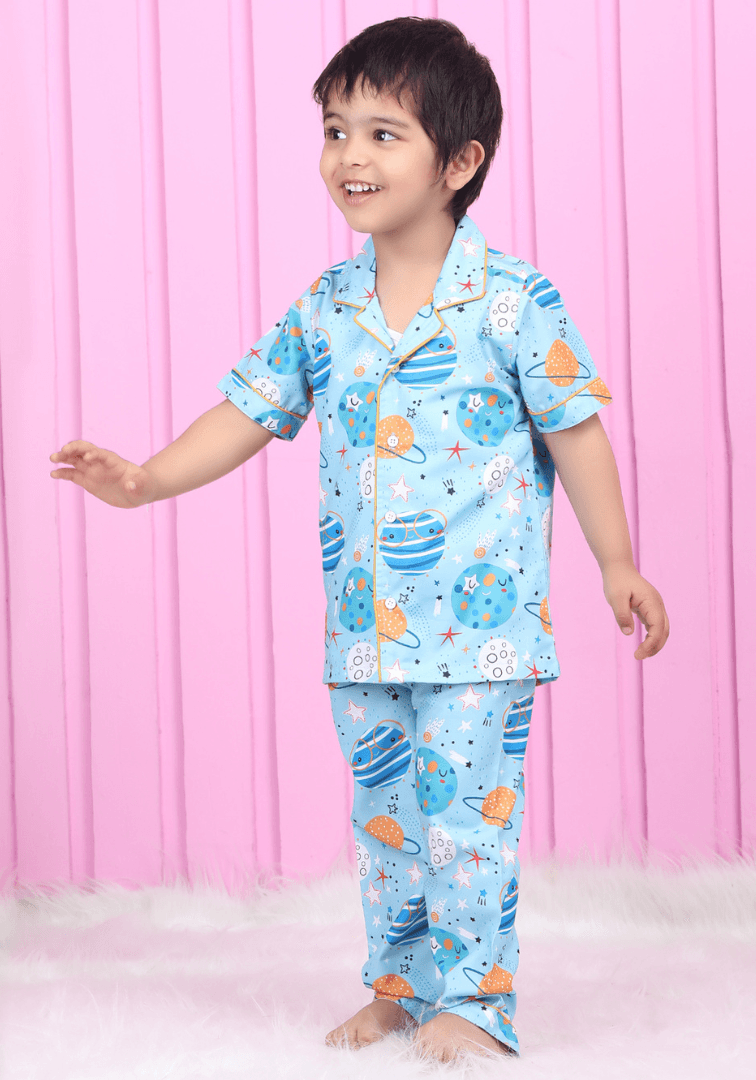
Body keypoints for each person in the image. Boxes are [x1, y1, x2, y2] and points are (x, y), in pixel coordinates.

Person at [50, 16, 669, 1064]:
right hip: (364, 631)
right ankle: (399, 988)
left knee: (465, 824)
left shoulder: (514, 301)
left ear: (459, 162)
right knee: (387, 825)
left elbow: (576, 431)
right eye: (336, 130)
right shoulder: (327, 308)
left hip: (481, 638)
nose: (349, 155)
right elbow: (248, 412)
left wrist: (617, 561)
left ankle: (476, 1004)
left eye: (384, 133)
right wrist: (146, 478)